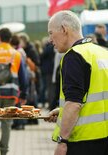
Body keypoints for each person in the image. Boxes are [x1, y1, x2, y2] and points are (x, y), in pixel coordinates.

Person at [45, 10, 108, 155]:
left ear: (64, 29)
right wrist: (63, 111)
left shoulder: (74, 56)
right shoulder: (102, 53)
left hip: (83, 141)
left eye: (50, 33)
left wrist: (62, 141)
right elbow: (97, 97)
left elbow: (74, 104)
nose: (50, 39)